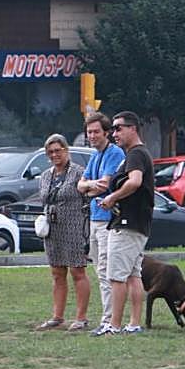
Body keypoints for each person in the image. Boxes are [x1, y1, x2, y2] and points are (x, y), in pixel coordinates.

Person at [94, 111, 155, 336]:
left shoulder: (136, 154)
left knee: (116, 276)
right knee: (133, 275)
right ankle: (134, 323)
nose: (114, 133)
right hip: (136, 223)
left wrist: (112, 198)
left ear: (133, 129)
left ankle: (114, 325)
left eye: (119, 128)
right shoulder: (137, 154)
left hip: (127, 224)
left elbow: (135, 182)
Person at [34, 134, 91, 331]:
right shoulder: (46, 176)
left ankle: (81, 317)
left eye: (58, 150)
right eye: (50, 152)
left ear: (66, 150)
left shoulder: (78, 173)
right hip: (53, 229)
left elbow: (88, 197)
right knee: (57, 273)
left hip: (74, 226)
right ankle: (57, 316)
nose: (54, 155)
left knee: (77, 270)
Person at [76, 112, 126, 335]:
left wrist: (90, 186)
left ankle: (109, 320)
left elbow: (104, 186)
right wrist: (89, 186)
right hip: (94, 219)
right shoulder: (95, 155)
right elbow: (80, 185)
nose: (92, 136)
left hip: (108, 220)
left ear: (106, 132)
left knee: (107, 271)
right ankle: (107, 317)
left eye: (96, 131)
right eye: (89, 132)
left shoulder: (114, 153)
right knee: (99, 270)